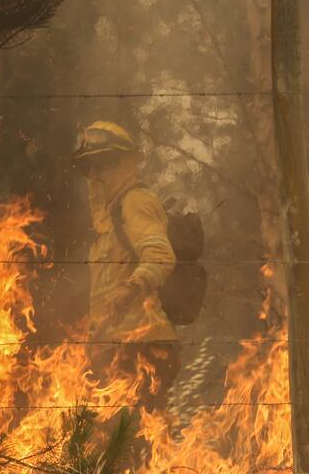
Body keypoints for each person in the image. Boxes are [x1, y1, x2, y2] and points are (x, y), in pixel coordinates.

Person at [73, 121, 180, 411]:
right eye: (88, 167)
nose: (95, 174)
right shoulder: (108, 222)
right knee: (118, 441)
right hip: (116, 345)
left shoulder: (135, 202)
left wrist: (130, 288)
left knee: (131, 438)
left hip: (143, 343)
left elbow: (160, 255)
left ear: (124, 163)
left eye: (102, 164)